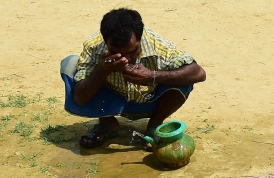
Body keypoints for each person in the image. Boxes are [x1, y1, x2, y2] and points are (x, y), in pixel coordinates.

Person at [62, 8, 206, 148]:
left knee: (184, 77)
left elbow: (198, 72)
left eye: (132, 52)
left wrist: (152, 76)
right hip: (111, 99)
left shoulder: (157, 45)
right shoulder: (94, 46)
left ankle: (155, 124)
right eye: (116, 53)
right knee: (70, 64)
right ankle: (107, 124)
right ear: (105, 41)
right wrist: (103, 70)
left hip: (150, 100)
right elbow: (80, 98)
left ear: (140, 38)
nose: (125, 59)